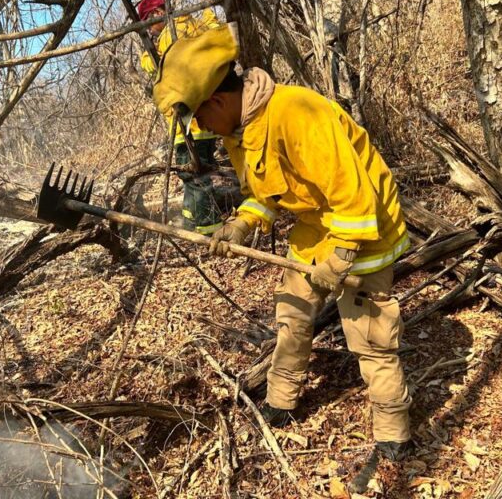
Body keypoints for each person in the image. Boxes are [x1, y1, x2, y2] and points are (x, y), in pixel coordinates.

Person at [151, 25, 413, 491]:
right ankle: (281, 399)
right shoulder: (241, 128)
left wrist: (341, 259)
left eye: (199, 119)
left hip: (365, 224)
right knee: (292, 317)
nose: (201, 131)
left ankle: (394, 433)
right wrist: (243, 222)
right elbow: (265, 191)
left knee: (370, 335)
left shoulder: (297, 112)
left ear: (215, 101)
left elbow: (352, 192)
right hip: (316, 224)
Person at [136, 0, 226, 235]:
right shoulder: (190, 25)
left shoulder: (169, 37)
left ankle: (209, 230)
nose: (149, 29)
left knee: (197, 179)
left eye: (147, 21)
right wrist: (207, 7)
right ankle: (189, 221)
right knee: (191, 177)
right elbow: (214, 30)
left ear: (156, 14)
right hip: (206, 119)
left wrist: (148, 56)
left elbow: (156, 70)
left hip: (188, 124)